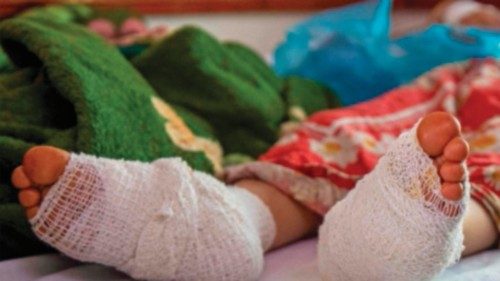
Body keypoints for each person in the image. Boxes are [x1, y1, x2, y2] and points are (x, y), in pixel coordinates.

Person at [10, 59, 499, 280]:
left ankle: (412, 232)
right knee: (346, 135)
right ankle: (236, 223)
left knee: (483, 173)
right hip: (470, 79)